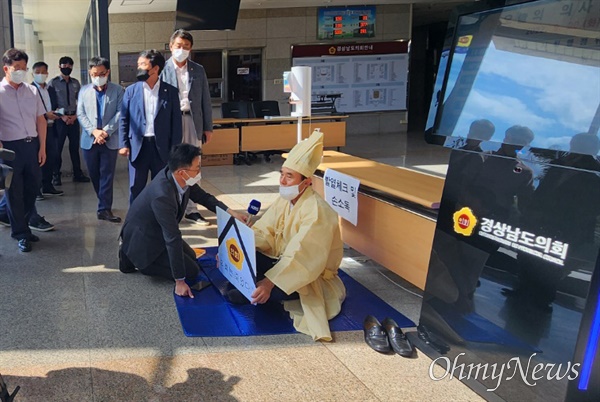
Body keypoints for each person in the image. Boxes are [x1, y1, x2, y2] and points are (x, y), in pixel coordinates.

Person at [240, 131, 346, 341]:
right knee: (244, 253)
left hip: (304, 277)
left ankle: (258, 287)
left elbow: (302, 256)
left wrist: (268, 283)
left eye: (290, 176)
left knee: (241, 294)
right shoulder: (286, 200)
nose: (283, 180)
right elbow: (264, 231)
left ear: (306, 182)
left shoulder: (317, 211)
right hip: (280, 261)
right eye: (282, 174)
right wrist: (235, 248)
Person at [119, 143, 246, 298]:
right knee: (190, 271)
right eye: (197, 168)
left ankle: (134, 253)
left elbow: (204, 197)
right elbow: (172, 238)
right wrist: (179, 281)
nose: (199, 172)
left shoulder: (179, 177)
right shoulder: (162, 196)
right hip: (145, 242)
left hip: (156, 231)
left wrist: (231, 212)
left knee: (192, 257)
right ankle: (130, 256)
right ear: (182, 172)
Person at [161, 29, 214, 226]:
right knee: (172, 165)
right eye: (178, 46)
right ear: (170, 45)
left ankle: (192, 210)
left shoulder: (198, 70)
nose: (182, 50)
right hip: (171, 124)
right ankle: (172, 208)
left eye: (186, 47)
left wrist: (208, 127)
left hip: (193, 121)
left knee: (193, 165)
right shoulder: (162, 69)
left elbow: (205, 100)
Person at [119, 49, 182, 204]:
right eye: (138, 64)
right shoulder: (131, 91)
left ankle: (160, 218)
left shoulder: (171, 91)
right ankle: (135, 221)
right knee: (136, 187)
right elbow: (123, 119)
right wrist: (124, 144)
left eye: (143, 64)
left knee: (162, 187)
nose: (139, 68)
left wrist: (175, 149)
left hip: (161, 147)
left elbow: (176, 123)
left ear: (155, 68)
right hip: (138, 147)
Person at [0, 48, 47, 252]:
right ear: (6, 68)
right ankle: (21, 233)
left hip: (32, 145)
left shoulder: (32, 90)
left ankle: (22, 224)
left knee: (32, 189)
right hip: (10, 148)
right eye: (16, 68)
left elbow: (40, 119)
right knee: (14, 193)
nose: (21, 71)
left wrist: (42, 147)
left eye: (24, 68)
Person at [77, 56, 125, 223]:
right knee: (94, 174)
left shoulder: (118, 90)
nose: (98, 77)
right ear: (90, 73)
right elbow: (80, 114)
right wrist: (94, 132)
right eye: (94, 74)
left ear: (108, 72)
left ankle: (104, 208)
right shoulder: (83, 91)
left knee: (107, 175)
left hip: (109, 140)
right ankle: (103, 201)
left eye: (102, 73)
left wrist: (105, 132)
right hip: (89, 141)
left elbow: (120, 113)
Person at [47, 56, 90, 184]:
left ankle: (77, 174)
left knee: (74, 148)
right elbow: (51, 103)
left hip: (74, 119)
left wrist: (76, 116)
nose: (67, 68)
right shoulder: (53, 83)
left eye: (69, 66)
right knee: (57, 148)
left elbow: (81, 101)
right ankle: (56, 176)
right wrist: (63, 116)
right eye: (64, 66)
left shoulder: (76, 83)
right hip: (60, 120)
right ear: (59, 66)